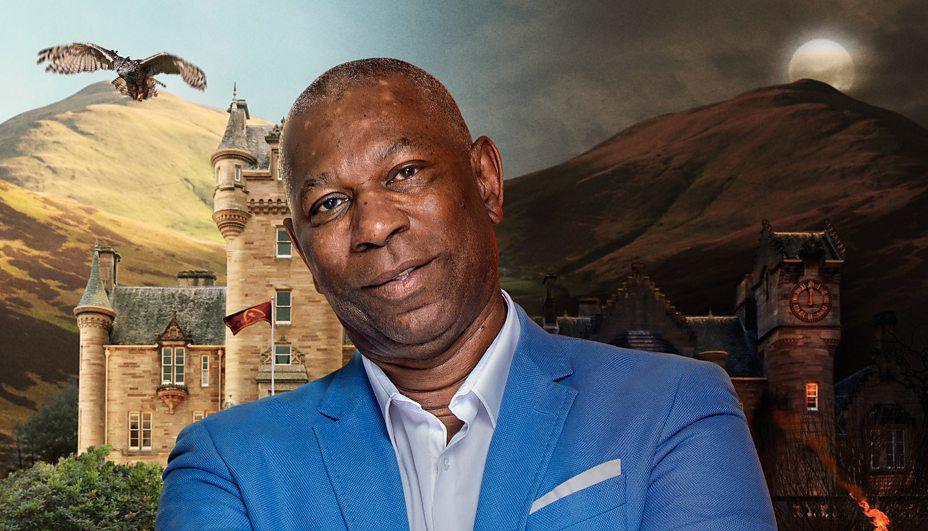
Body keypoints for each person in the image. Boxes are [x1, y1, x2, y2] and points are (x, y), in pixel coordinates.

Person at [157, 58, 775, 530]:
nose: (374, 225)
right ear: (303, 247)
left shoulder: (677, 409)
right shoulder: (225, 464)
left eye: (404, 173)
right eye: (329, 205)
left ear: (485, 182)